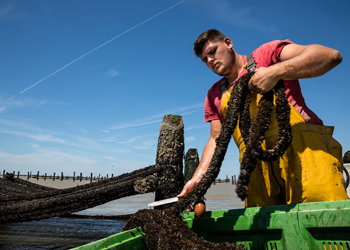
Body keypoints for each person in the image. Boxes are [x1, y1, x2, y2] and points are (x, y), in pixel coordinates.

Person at [178, 29, 349, 207]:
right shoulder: (214, 95)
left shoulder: (266, 55)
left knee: (323, 221)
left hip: (307, 158)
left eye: (212, 52)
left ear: (228, 43)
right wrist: (197, 179)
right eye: (205, 60)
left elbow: (330, 56)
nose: (210, 61)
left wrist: (275, 72)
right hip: (255, 174)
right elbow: (215, 140)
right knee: (263, 232)